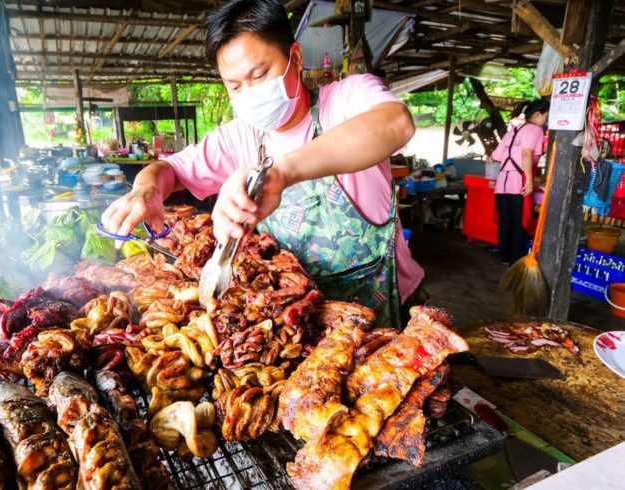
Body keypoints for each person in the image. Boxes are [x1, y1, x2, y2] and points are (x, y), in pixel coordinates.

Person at [101, 0, 422, 326]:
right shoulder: (239, 137)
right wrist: (147, 190)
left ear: (294, 57)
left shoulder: (346, 99)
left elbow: (395, 123)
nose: (250, 92)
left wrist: (281, 173)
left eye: (260, 74)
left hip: (386, 315)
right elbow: (167, 170)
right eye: (236, 86)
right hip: (296, 321)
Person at [492, 99, 550, 265]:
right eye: (546, 115)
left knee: (505, 222)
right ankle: (516, 261)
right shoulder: (535, 130)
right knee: (520, 223)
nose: (546, 119)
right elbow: (526, 153)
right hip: (519, 182)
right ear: (537, 114)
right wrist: (530, 180)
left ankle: (505, 257)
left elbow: (493, 157)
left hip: (502, 183)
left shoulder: (513, 130)